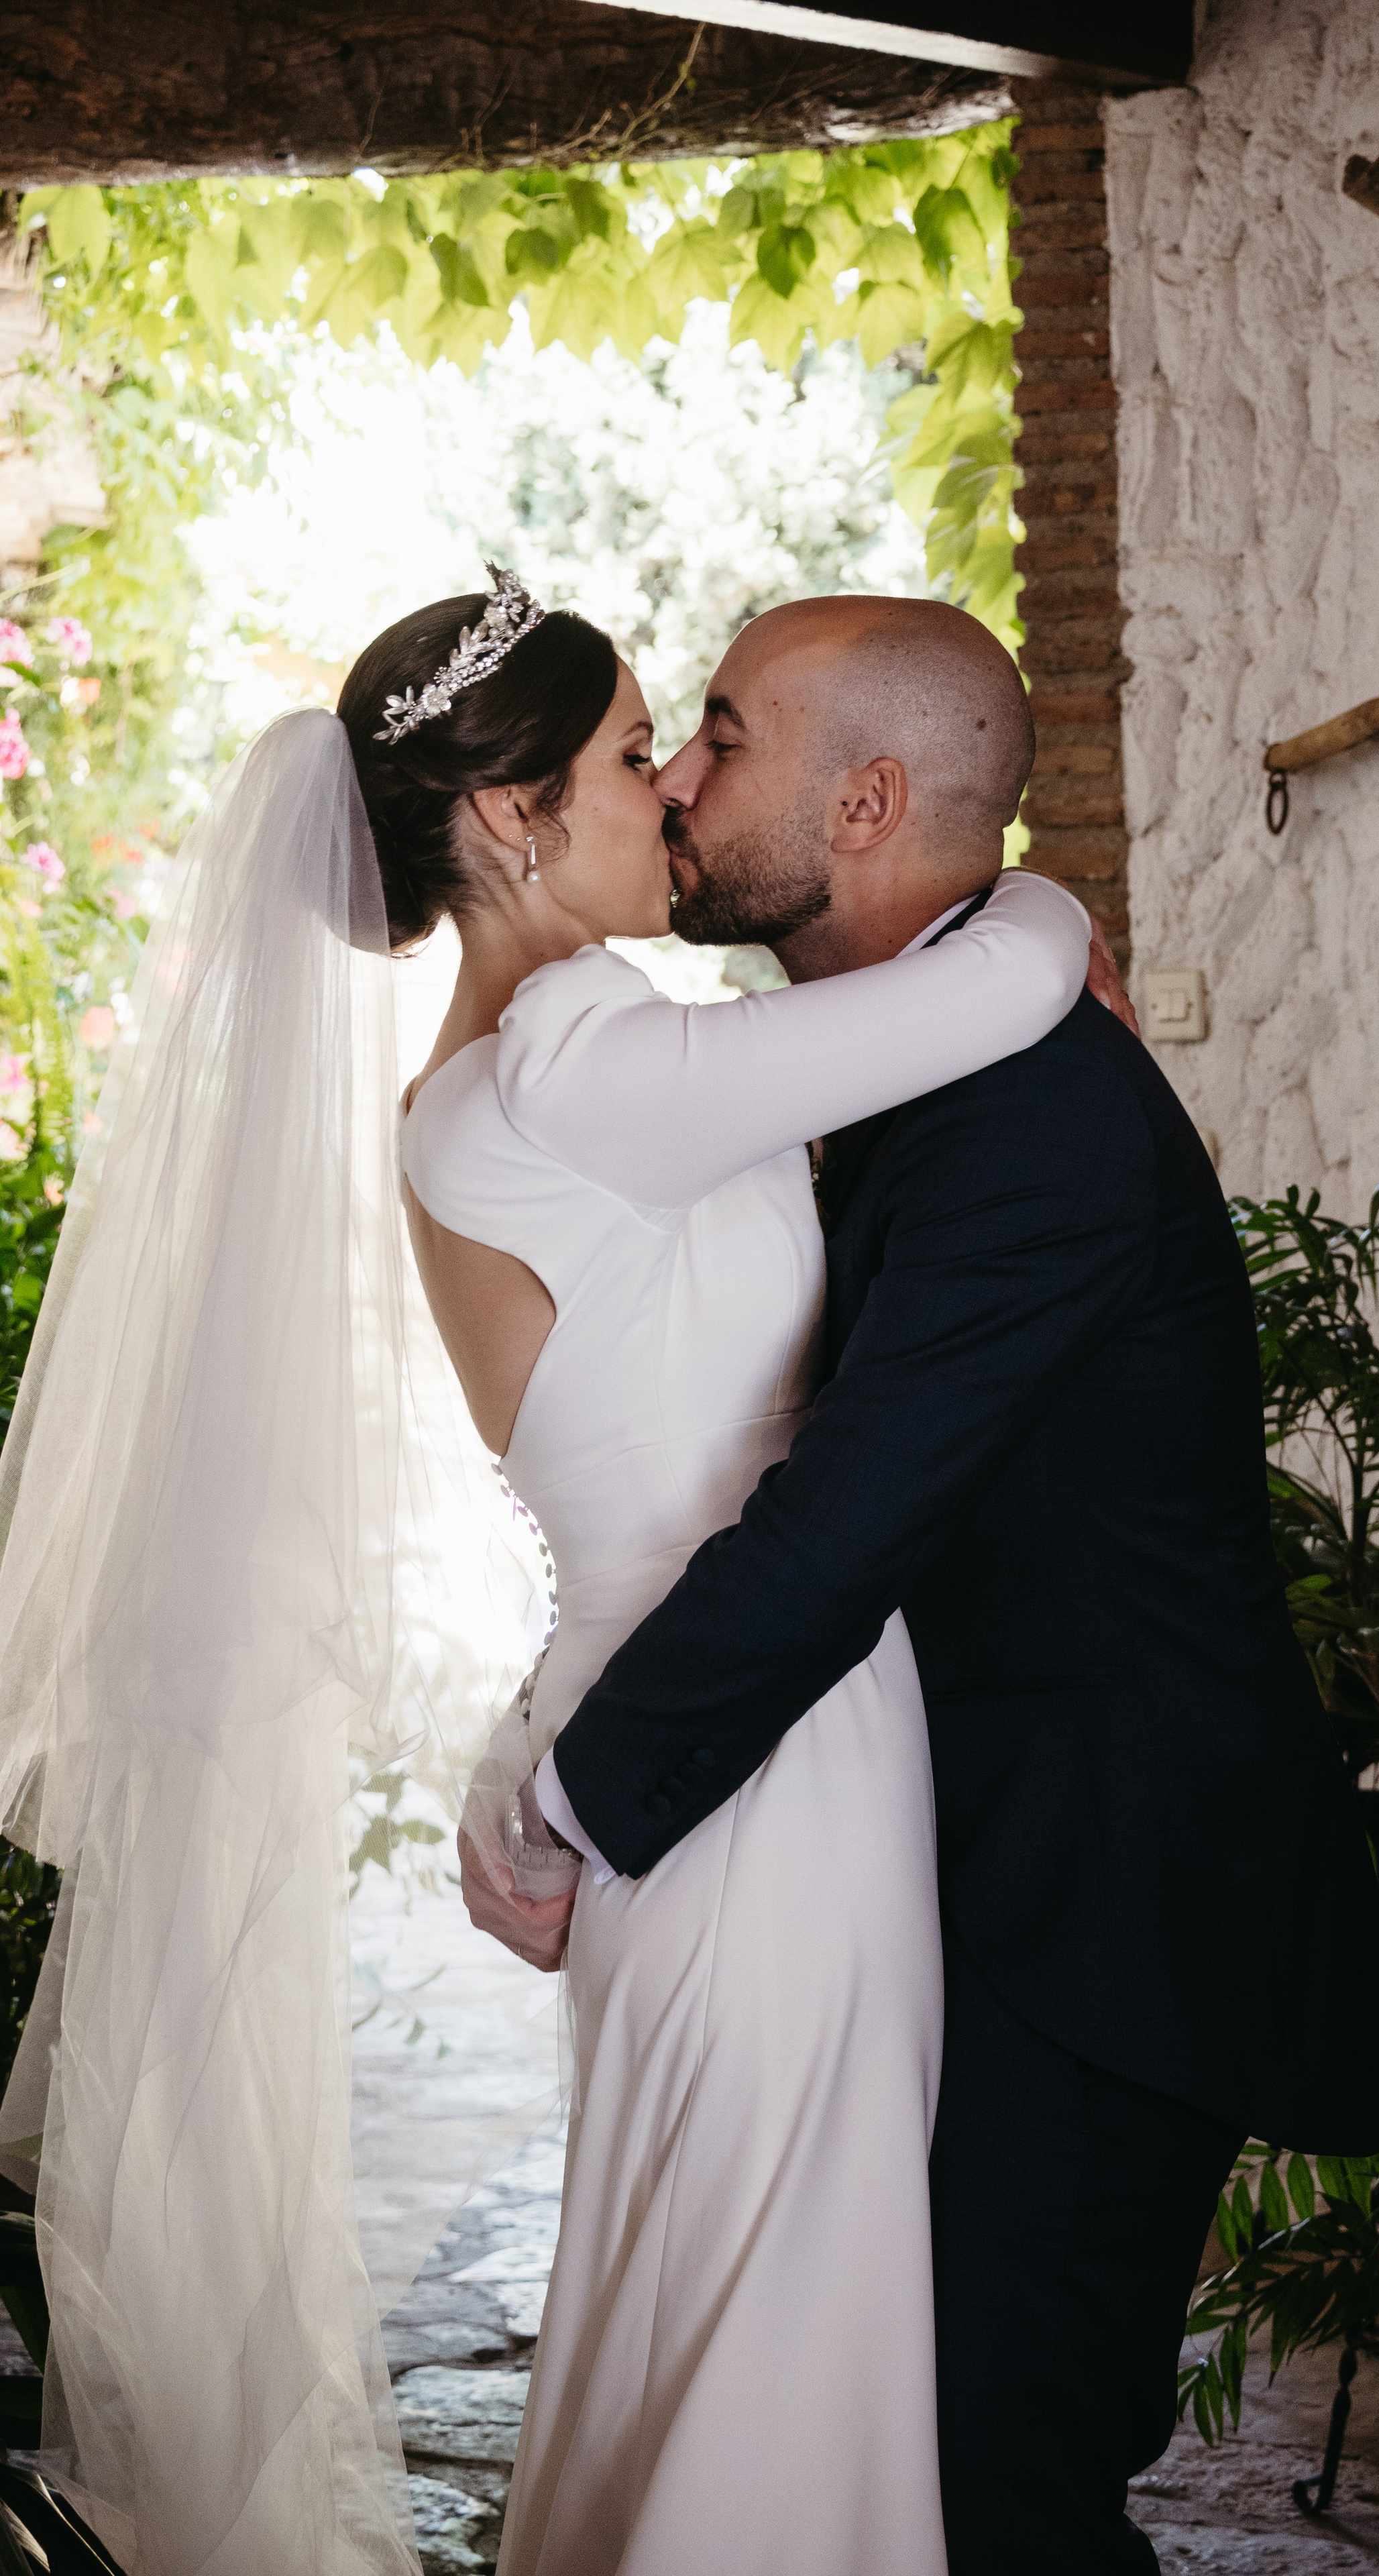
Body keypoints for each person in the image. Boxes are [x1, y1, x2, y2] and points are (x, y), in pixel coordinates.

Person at [0, 567, 1108, 2576]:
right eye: (627, 756)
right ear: (510, 823)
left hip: (696, 1728)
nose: (674, 791)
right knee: (773, 2307)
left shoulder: (494, 1087)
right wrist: (1046, 896)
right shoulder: (580, 1068)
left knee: (723, 2294)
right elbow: (1002, 988)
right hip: (764, 1758)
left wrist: (543, 1746)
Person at [467, 594, 1379, 2575]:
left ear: (872, 800)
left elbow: (841, 1521)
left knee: (1000, 2486)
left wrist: (568, 1792)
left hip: (1106, 1914)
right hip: (949, 1875)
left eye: (721, 735)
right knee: (892, 2459)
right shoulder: (903, 1051)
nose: (684, 778)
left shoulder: (1041, 1117)